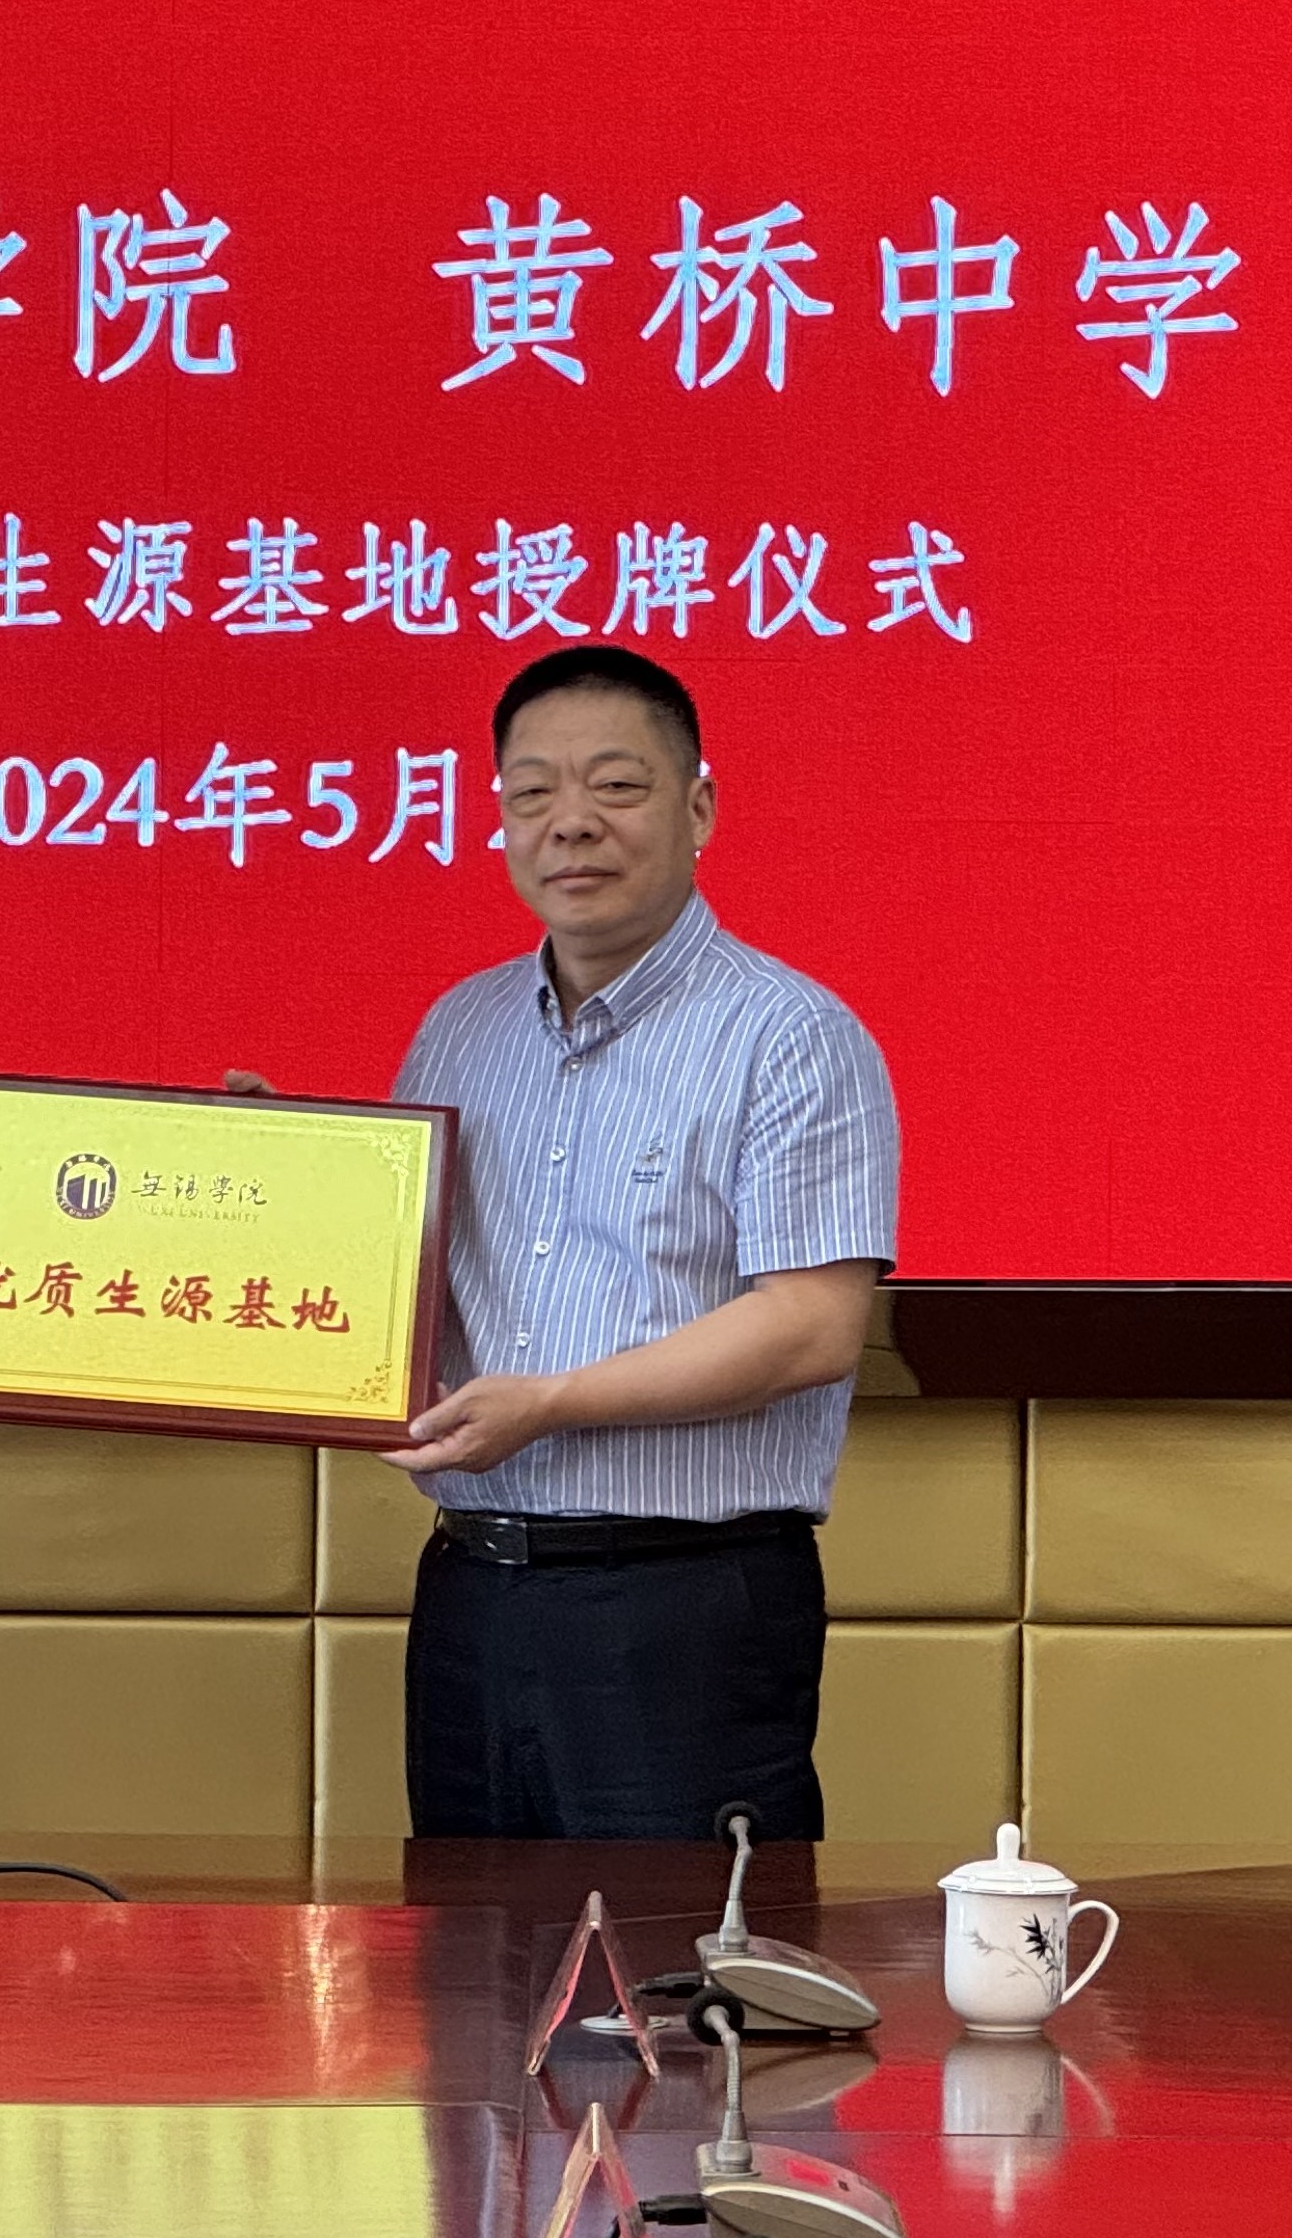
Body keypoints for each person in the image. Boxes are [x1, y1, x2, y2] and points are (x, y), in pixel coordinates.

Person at [385, 643, 897, 1840]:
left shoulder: (788, 1034)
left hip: (681, 1606)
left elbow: (810, 1326)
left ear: (697, 807)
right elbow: (395, 1274)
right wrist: (267, 1181)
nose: (569, 821)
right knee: (465, 1945)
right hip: (472, 1590)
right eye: (531, 791)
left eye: (615, 785)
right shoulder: (459, 1029)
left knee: (682, 1954)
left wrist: (553, 1402)